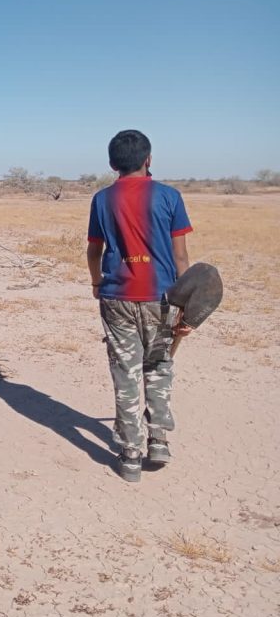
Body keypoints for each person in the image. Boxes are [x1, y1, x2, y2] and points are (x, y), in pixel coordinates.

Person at [86, 130, 192, 482]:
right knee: (159, 366)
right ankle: (158, 440)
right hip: (161, 297)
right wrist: (185, 301)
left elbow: (94, 251)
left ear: (112, 163)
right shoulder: (169, 197)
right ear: (149, 159)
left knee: (126, 374)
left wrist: (97, 283)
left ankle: (130, 455)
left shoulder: (102, 199)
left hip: (116, 298)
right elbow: (180, 256)